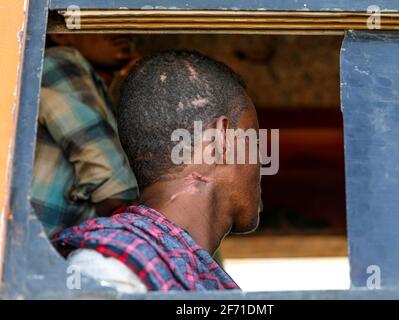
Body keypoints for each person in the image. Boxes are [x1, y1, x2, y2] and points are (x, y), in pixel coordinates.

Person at [52, 50, 262, 292]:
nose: (260, 165)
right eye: (254, 143)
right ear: (220, 142)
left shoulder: (157, 265)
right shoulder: (111, 271)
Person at [32, 35, 139, 237]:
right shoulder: (61, 59)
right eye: (108, 14)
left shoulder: (93, 84)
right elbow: (115, 192)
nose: (122, 30)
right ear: (62, 35)